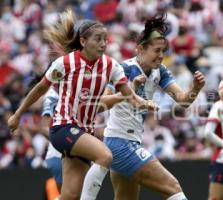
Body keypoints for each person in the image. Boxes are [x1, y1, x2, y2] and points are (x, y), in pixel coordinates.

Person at [7, 10, 157, 200]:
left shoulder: (112, 66)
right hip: (63, 128)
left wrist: (145, 102)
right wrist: (17, 114)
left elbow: (129, 96)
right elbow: (39, 89)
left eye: (105, 39)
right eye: (98, 39)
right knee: (105, 156)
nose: (103, 44)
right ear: (83, 41)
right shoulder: (65, 63)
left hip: (84, 133)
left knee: (70, 196)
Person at [82, 13, 205, 200]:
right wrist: (129, 92)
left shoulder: (160, 71)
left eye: (163, 51)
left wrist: (195, 88)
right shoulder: (124, 69)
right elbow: (100, 105)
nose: (161, 56)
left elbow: (184, 100)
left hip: (130, 142)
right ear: (140, 49)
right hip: (120, 143)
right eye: (157, 50)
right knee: (172, 187)